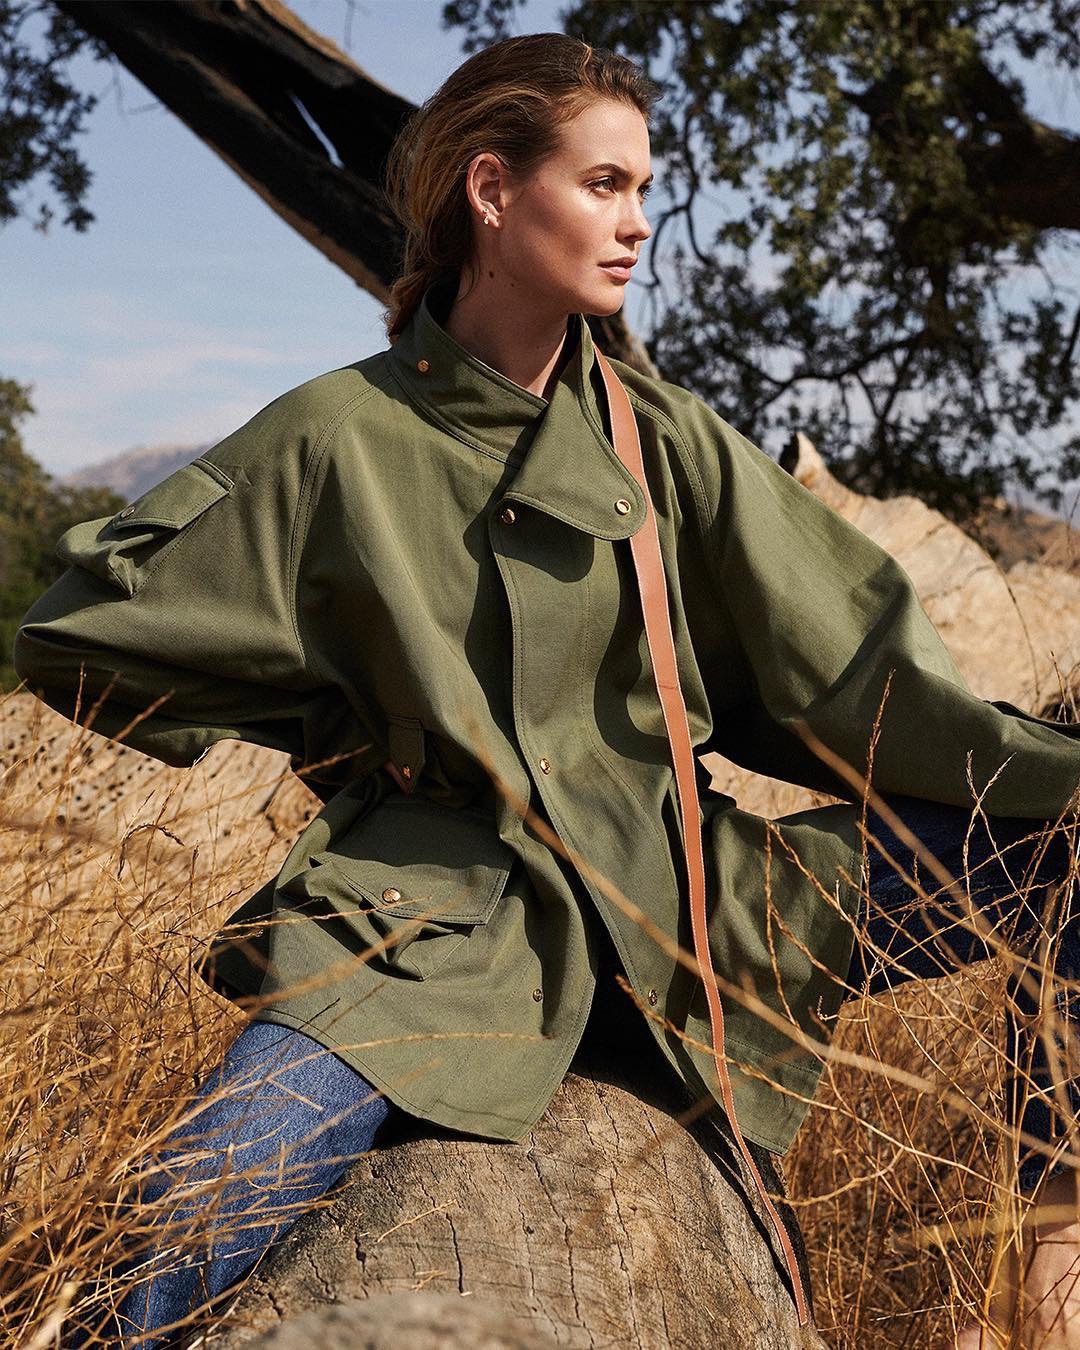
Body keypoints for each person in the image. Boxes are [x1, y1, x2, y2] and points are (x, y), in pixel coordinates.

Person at [13, 30, 1080, 1350]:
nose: (638, 225)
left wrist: (1044, 770)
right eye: (604, 185)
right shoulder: (337, 436)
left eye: (644, 190)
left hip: (694, 908)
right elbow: (82, 629)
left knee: (1069, 851)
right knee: (180, 1218)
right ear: (491, 190)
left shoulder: (662, 438)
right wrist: (346, 718)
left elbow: (862, 671)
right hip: (426, 922)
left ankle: (1051, 1283)